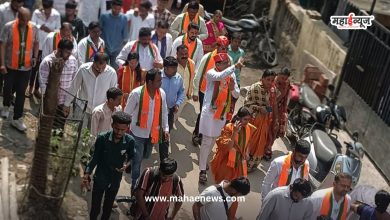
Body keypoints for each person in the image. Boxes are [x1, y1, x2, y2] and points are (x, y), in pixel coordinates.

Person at [198, 53, 242, 184]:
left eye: (227, 63)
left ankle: (204, 161)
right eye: (224, 63)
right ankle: (202, 170)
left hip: (222, 112)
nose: (226, 66)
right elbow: (220, 76)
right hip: (210, 113)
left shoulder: (231, 74)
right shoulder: (211, 73)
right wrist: (235, 66)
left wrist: (233, 88)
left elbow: (237, 94)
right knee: (206, 141)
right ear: (217, 64)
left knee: (213, 139)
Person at [82, 111, 135, 220]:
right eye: (117, 129)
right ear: (112, 125)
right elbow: (95, 157)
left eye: (123, 130)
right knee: (95, 209)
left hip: (115, 180)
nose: (119, 132)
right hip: (100, 178)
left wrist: (126, 165)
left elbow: (132, 157)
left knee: (107, 208)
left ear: (127, 128)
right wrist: (87, 173)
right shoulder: (102, 138)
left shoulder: (130, 141)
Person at [124, 68, 169, 190]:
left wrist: (165, 129)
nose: (160, 83)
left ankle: (131, 161)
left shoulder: (162, 94)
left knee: (147, 155)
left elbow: (164, 112)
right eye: (158, 81)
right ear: (149, 82)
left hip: (152, 133)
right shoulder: (136, 94)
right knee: (138, 159)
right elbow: (127, 113)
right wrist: (123, 130)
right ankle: (135, 184)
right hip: (137, 133)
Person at [210, 107, 256, 217]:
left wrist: (247, 152)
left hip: (239, 165)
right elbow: (226, 147)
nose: (247, 122)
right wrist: (235, 132)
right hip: (226, 165)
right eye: (245, 119)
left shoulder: (248, 128)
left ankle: (230, 215)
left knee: (236, 193)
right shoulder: (229, 127)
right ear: (238, 118)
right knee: (224, 190)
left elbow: (248, 143)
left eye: (249, 120)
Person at [0, 7, 39, 131]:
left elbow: (37, 42)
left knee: (21, 92)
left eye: (28, 20)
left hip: (26, 68)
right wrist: (2, 64)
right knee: (7, 88)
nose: (25, 22)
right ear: (18, 18)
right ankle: (6, 105)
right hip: (10, 65)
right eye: (23, 20)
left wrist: (35, 56)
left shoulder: (34, 28)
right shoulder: (8, 27)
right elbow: (3, 45)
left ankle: (17, 118)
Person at [192, 36, 230, 146]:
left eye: (226, 48)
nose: (225, 50)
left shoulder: (229, 60)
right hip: (204, 91)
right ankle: (197, 134)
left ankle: (207, 135)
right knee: (204, 113)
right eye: (223, 48)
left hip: (220, 93)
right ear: (217, 46)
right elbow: (198, 74)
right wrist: (195, 91)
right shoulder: (207, 57)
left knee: (213, 114)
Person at [63, 52, 118, 128]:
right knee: (78, 134)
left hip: (100, 111)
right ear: (93, 62)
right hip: (82, 108)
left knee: (94, 137)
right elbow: (74, 87)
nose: (100, 70)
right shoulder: (83, 69)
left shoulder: (112, 73)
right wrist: (66, 104)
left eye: (103, 67)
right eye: (98, 67)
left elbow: (113, 94)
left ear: (106, 63)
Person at [39, 39, 78, 131]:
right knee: (46, 126)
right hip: (50, 101)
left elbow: (74, 80)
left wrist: (69, 102)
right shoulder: (47, 61)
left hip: (64, 101)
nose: (68, 55)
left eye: (70, 53)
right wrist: (46, 100)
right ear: (59, 50)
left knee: (60, 126)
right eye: (66, 52)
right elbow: (42, 82)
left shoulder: (72, 60)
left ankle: (56, 144)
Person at [244, 69, 277, 171]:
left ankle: (251, 165)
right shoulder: (256, 88)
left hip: (264, 120)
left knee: (260, 142)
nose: (270, 82)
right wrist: (259, 108)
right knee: (250, 141)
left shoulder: (272, 90)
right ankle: (242, 164)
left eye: (272, 80)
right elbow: (247, 104)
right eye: (268, 79)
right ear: (262, 78)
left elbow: (273, 105)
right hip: (253, 119)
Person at [29, 0, 61, 99]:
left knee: (42, 68)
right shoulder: (36, 13)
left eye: (48, 9)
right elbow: (31, 25)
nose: (46, 11)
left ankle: (36, 89)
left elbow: (58, 30)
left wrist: (49, 30)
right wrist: (40, 26)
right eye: (45, 8)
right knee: (33, 68)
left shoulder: (56, 14)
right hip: (36, 45)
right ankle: (30, 89)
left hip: (48, 47)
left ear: (51, 7)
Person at [0, 0, 25, 95]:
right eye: (16, 2)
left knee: (11, 73)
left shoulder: (23, 12)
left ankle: (8, 93)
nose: (18, 4)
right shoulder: (2, 10)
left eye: (20, 2)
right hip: (2, 44)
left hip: (15, 48)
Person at [267, 67, 291, 152]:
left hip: (279, 109)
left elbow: (286, 97)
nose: (284, 80)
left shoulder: (287, 83)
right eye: (282, 78)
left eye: (285, 78)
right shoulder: (272, 81)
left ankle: (269, 147)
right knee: (267, 127)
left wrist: (284, 110)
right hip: (269, 107)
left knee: (275, 128)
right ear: (278, 74)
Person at [100, 0, 129, 70]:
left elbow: (125, 36)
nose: (116, 11)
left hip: (117, 49)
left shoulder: (124, 18)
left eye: (119, 9)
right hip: (104, 48)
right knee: (102, 69)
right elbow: (99, 31)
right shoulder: (104, 16)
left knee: (114, 70)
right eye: (115, 8)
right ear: (111, 6)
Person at [161, 56, 185, 131]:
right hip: (158, 109)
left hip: (170, 110)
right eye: (173, 68)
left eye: (176, 68)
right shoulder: (157, 77)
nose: (175, 70)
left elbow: (181, 92)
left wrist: (177, 103)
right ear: (165, 68)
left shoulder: (178, 78)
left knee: (167, 130)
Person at [175, 44, 195, 120]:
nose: (184, 56)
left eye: (186, 54)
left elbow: (192, 78)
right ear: (177, 54)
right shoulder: (172, 64)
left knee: (176, 116)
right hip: (172, 98)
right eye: (181, 54)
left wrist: (190, 93)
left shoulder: (191, 64)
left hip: (184, 97)